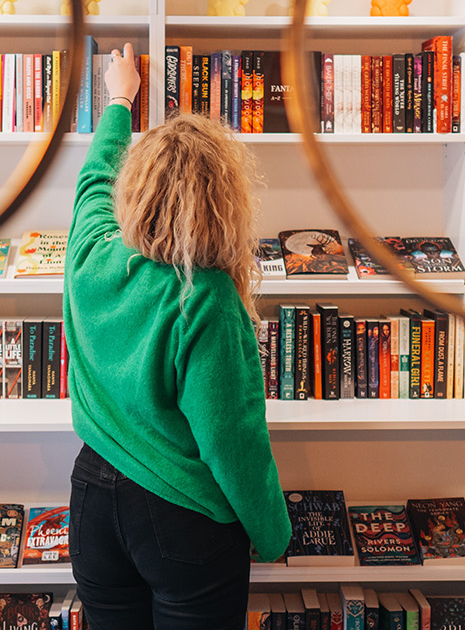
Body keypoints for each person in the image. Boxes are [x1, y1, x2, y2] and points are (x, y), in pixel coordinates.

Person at [65, 43, 290, 629]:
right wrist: (272, 534)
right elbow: (233, 440)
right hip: (179, 515)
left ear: (133, 192)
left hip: (91, 498)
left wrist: (120, 98)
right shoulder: (206, 298)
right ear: (224, 206)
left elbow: (93, 181)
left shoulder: (91, 257)